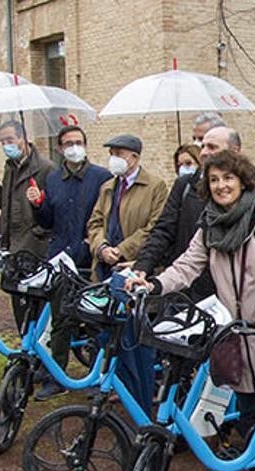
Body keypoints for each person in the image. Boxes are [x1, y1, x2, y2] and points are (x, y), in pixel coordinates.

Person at [128, 150, 255, 471]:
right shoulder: (209, 225)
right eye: (214, 180)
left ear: (243, 181)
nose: (221, 186)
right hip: (235, 331)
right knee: (249, 398)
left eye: (228, 178)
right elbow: (187, 265)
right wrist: (156, 285)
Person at [28, 124, 113, 401]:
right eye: (68, 143)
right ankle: (57, 376)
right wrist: (38, 205)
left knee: (94, 320)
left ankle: (96, 375)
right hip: (61, 260)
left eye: (79, 141)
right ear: (60, 149)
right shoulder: (53, 179)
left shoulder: (102, 178)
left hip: (90, 260)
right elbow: (47, 221)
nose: (74, 147)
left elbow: (109, 217)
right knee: (61, 319)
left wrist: (98, 244)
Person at [86, 134, 168, 413]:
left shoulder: (155, 186)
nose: (114, 158)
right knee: (110, 332)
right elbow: (95, 222)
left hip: (134, 270)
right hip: (106, 267)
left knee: (135, 337)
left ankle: (139, 394)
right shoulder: (108, 187)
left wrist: (122, 250)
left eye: (119, 152)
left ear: (134, 156)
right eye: (112, 152)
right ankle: (114, 382)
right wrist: (102, 247)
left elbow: (155, 227)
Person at [0, 119, 56, 333]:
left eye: (10, 140)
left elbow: (50, 211)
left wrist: (38, 219)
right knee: (19, 305)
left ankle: (42, 354)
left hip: (35, 250)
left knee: (37, 306)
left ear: (23, 139)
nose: (7, 145)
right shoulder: (10, 168)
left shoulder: (44, 169)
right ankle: (26, 349)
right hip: (13, 250)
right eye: (2, 141)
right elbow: (7, 205)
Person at [134, 136, 215, 304]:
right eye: (203, 145)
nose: (205, 152)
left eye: (211, 146)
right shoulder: (184, 186)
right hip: (185, 285)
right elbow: (164, 231)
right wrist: (144, 268)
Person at [199, 126, 255, 202]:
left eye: (212, 147)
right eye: (202, 147)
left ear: (234, 151)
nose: (203, 153)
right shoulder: (187, 184)